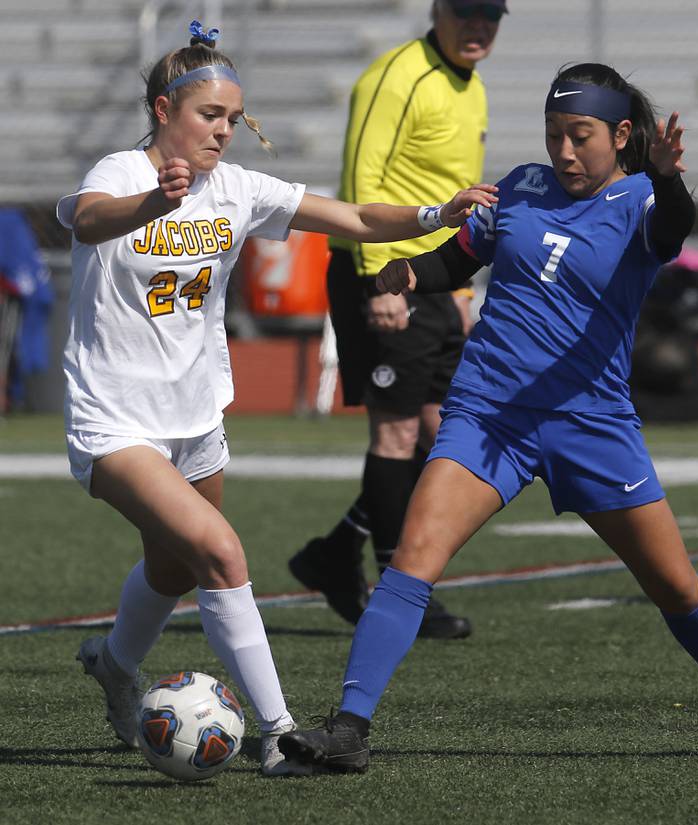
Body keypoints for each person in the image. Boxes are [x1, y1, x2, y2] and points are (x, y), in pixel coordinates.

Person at [278, 62, 698, 772]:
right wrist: (409, 271)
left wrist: (672, 176)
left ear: (620, 135)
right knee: (413, 558)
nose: (563, 151)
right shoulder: (521, 185)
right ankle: (349, 725)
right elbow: (459, 258)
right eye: (554, 134)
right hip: (489, 413)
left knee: (675, 585)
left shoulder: (645, 201)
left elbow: (674, 227)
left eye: (580, 136)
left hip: (592, 424)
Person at [57, 21, 497, 778]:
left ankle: (115, 663)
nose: (224, 130)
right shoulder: (122, 170)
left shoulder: (234, 188)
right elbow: (84, 216)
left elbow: (354, 219)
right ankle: (279, 732)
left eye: (232, 117)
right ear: (164, 111)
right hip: (114, 419)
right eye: (209, 115)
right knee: (221, 553)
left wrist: (435, 216)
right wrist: (148, 207)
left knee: (171, 568)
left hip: (196, 416)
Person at [287, 0, 507, 640]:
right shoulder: (395, 74)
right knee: (396, 435)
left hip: (437, 281)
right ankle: (399, 592)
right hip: (385, 277)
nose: (479, 27)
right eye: (467, 13)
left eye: (491, 16)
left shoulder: (471, 86)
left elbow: (458, 192)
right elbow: (361, 177)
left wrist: (461, 287)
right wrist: (379, 279)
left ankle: (336, 551)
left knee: (446, 439)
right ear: (438, 11)